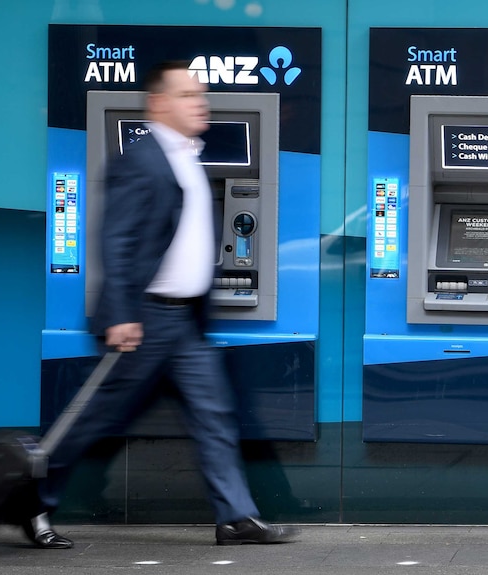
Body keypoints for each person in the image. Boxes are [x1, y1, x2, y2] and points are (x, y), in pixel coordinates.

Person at [25, 60, 299, 548]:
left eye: (202, 95)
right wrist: (122, 313)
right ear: (159, 104)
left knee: (213, 413)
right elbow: (119, 241)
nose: (201, 103)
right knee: (97, 417)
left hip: (184, 322)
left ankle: (235, 517)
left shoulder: (187, 156)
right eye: (189, 95)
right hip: (147, 319)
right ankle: (33, 505)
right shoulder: (142, 158)